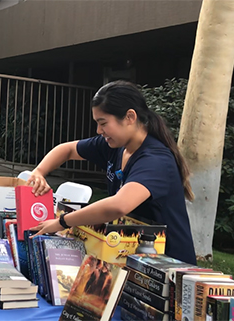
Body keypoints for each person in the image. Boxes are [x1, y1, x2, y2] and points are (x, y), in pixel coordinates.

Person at [28, 80, 197, 265]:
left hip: (168, 269)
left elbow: (118, 205)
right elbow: (67, 150)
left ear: (130, 117)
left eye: (103, 123)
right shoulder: (115, 146)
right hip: (130, 257)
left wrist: (63, 222)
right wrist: (39, 172)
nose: (99, 131)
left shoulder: (155, 160)